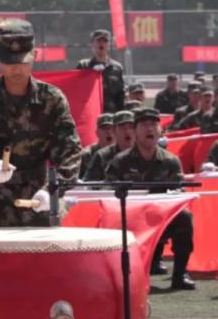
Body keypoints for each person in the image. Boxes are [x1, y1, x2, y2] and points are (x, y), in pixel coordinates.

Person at [0, 19, 81, 226]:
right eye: (9, 62)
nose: (16, 68)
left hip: (38, 206)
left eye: (23, 61)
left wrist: (52, 189)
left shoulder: (51, 99)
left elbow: (70, 152)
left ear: (35, 55)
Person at [106, 108, 195, 291]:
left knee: (185, 217)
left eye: (154, 124)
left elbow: (180, 192)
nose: (149, 129)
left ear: (160, 131)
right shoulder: (120, 161)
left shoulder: (171, 161)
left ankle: (180, 274)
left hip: (161, 218)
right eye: (144, 125)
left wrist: (171, 197)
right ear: (135, 131)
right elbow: (108, 194)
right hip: (129, 219)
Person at [76, 29, 126, 113]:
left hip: (111, 113)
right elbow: (77, 90)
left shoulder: (117, 68)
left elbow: (121, 95)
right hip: (90, 112)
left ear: (109, 45)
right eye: (99, 41)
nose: (101, 44)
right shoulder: (83, 66)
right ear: (92, 43)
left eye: (105, 41)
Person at [83, 111, 136, 182]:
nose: (127, 131)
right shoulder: (102, 155)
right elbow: (88, 183)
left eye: (131, 127)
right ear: (114, 131)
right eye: (122, 127)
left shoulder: (144, 153)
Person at [79, 113, 115, 179]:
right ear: (97, 132)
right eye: (105, 128)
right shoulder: (87, 154)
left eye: (111, 128)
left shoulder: (122, 152)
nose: (108, 132)